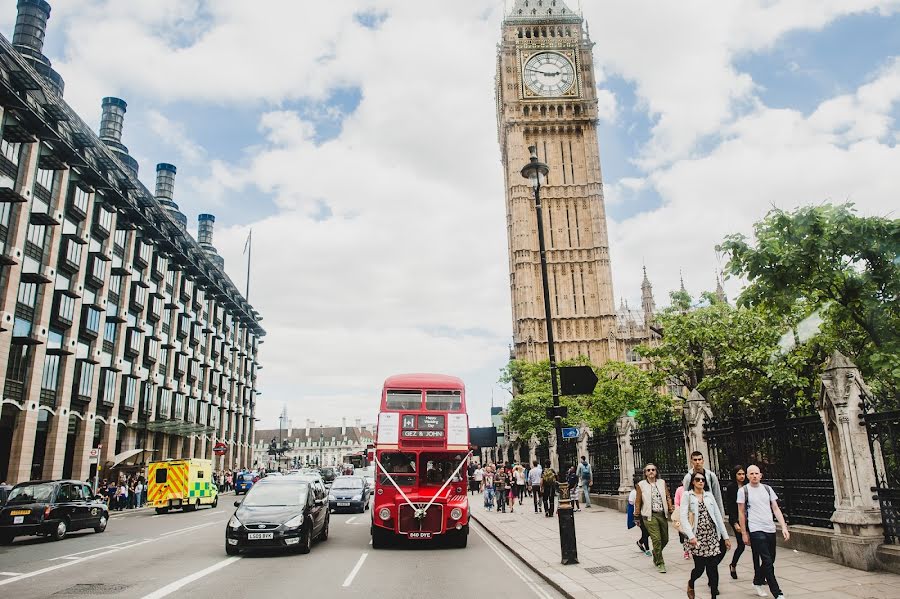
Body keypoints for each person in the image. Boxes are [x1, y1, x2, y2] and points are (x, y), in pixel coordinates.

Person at [738, 465, 789, 599]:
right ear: (748, 476)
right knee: (767, 561)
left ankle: (757, 581)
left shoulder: (767, 489)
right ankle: (777, 592)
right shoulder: (744, 491)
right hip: (755, 529)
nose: (754, 476)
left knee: (771, 559)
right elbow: (741, 513)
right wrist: (744, 532)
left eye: (756, 473)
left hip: (770, 528)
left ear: (761, 475)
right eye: (751, 474)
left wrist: (783, 527)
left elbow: (776, 508)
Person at [681, 471, 730, 598]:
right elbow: (683, 517)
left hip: (712, 536)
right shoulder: (688, 495)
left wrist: (725, 537)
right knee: (699, 568)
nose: (701, 482)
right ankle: (691, 583)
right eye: (697, 480)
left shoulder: (709, 496)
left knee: (713, 567)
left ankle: (714, 594)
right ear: (693, 482)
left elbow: (718, 516)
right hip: (697, 537)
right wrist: (691, 536)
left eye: (702, 480)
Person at [634, 462, 674, 573]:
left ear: (656, 472)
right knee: (656, 539)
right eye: (648, 470)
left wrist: (671, 508)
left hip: (662, 514)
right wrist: (636, 516)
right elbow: (638, 502)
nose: (651, 472)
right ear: (645, 473)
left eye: (653, 470)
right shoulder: (641, 485)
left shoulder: (662, 483)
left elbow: (667, 496)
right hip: (649, 516)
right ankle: (660, 563)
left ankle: (656, 554)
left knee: (665, 539)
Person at [725, 465, 747, 579]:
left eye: (743, 474)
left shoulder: (748, 486)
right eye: (739, 474)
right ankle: (733, 565)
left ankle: (760, 574)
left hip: (749, 519)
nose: (742, 476)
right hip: (737, 519)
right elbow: (730, 506)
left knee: (757, 547)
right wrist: (735, 523)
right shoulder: (731, 487)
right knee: (741, 545)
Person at [628, 484, 651, 556]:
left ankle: (640, 542)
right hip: (639, 515)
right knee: (645, 531)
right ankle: (647, 549)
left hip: (647, 513)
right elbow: (631, 503)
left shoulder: (645, 491)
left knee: (648, 532)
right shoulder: (633, 493)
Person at [674, 483, 691, 560]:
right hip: (682, 514)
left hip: (692, 514)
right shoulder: (680, 489)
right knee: (684, 534)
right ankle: (686, 551)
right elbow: (676, 503)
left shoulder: (693, 489)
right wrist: (680, 510)